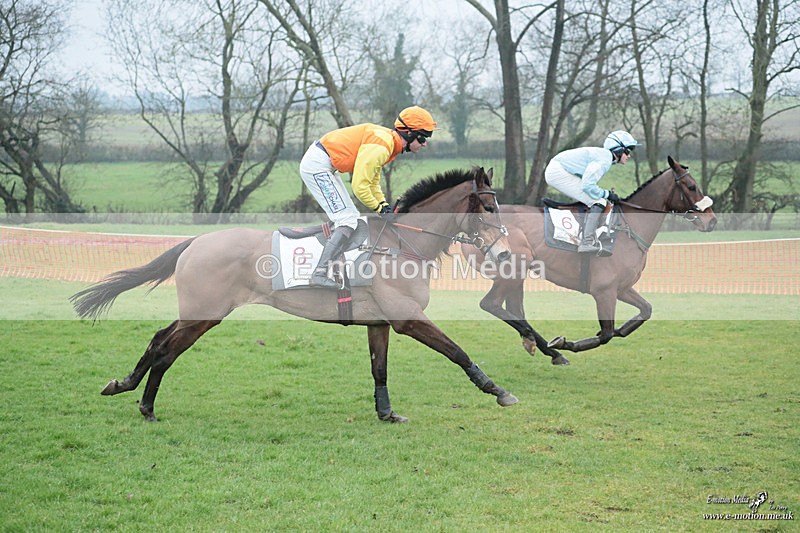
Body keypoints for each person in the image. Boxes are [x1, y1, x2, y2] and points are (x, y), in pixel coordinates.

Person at [300, 105, 438, 288]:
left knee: (351, 218)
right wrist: (380, 209)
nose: (424, 144)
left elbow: (372, 181)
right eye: (422, 138)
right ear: (409, 133)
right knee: (347, 219)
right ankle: (318, 274)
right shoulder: (382, 146)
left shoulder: (387, 142)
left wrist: (383, 204)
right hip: (318, 166)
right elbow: (359, 187)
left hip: (326, 164)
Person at [544, 130, 640, 253]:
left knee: (596, 198)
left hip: (558, 169)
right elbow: (587, 185)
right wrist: (608, 194)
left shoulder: (604, 156)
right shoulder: (604, 160)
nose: (629, 156)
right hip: (558, 172)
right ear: (618, 150)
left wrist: (606, 195)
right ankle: (587, 242)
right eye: (627, 151)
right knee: (598, 201)